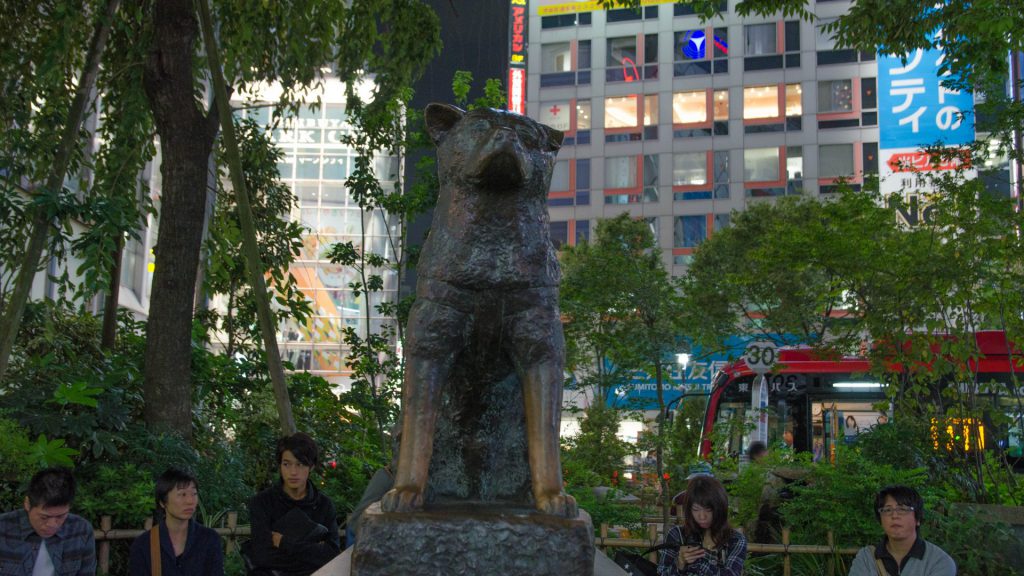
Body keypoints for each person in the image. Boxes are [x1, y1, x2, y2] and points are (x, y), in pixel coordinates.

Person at [245, 432, 341, 576]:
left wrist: (284, 543)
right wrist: (312, 552)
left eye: (300, 464)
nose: (293, 472)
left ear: (311, 467)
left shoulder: (324, 506)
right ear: (280, 465)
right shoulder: (262, 502)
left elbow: (331, 555)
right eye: (286, 464)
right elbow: (262, 556)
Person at [0, 467, 96, 575]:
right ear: (27, 504)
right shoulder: (3, 528)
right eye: (44, 517)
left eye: (60, 516)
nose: (52, 525)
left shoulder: (81, 530)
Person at [128, 468, 224, 575]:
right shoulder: (143, 545)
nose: (190, 501)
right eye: (182, 494)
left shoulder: (209, 539)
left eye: (194, 494)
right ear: (163, 502)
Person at [848, 485, 956, 576]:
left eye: (902, 509)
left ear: (917, 519)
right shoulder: (866, 558)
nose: (894, 515)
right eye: (887, 510)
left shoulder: (939, 562)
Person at [659, 475, 747, 576]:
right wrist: (679, 564)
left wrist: (697, 563)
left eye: (708, 510)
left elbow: (731, 574)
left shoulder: (735, 539)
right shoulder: (676, 534)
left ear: (720, 508)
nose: (702, 517)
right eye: (695, 509)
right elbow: (661, 573)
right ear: (688, 509)